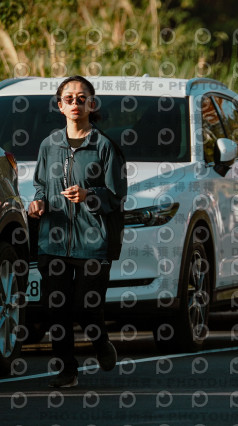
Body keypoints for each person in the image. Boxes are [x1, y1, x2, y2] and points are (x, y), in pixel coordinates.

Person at [28, 75, 127, 388]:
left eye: (82, 98)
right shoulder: (49, 145)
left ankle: (101, 343)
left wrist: (88, 196)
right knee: (56, 309)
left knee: (87, 307)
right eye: (69, 99)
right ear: (60, 106)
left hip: (93, 242)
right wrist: (38, 202)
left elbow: (117, 195)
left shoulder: (104, 146)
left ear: (91, 104)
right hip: (53, 240)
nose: (75, 103)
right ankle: (67, 370)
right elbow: (41, 184)